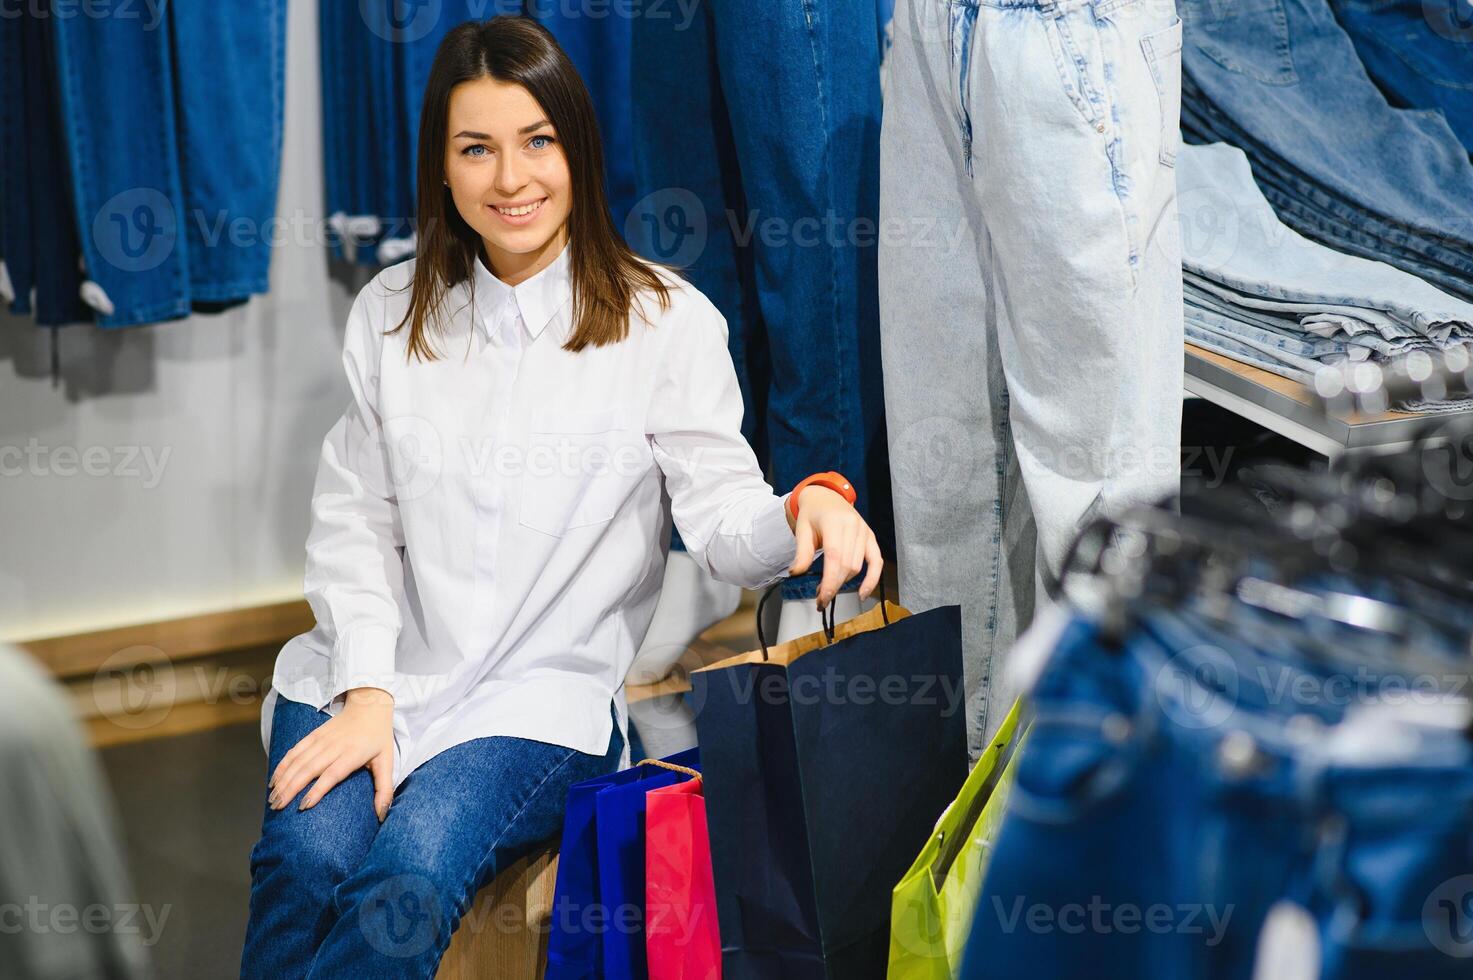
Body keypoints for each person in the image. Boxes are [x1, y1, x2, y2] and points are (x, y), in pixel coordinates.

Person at [240, 15, 881, 976]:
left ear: (577, 147)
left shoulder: (665, 321)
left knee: (403, 881)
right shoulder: (390, 310)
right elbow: (353, 524)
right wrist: (366, 694)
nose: (512, 179)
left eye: (537, 141)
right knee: (303, 859)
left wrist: (805, 506)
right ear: (443, 171)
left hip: (537, 703)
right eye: (476, 150)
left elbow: (721, 524)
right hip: (373, 670)